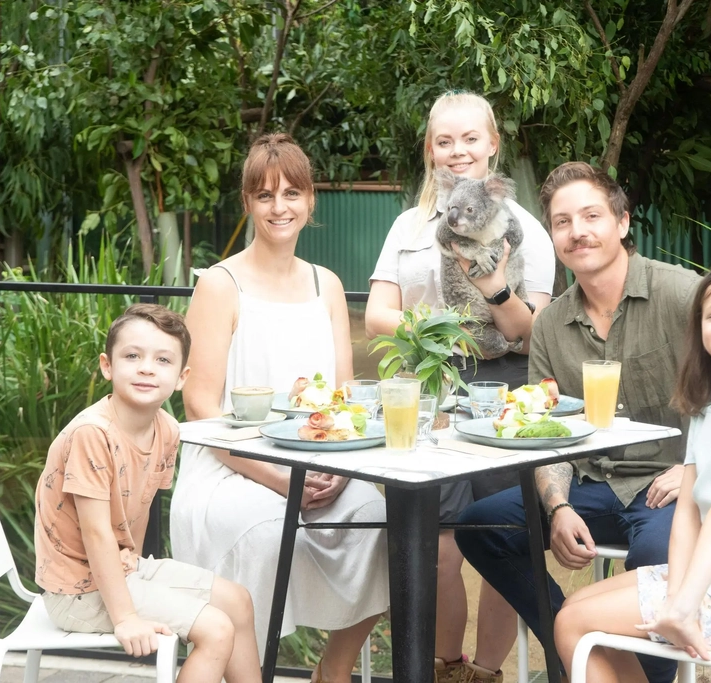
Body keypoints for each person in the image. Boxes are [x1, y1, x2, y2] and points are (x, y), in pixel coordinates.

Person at [455, 161, 700, 683]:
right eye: (563, 222)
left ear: (623, 222)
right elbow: (550, 433)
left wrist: (696, 470)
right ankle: (574, 647)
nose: (578, 231)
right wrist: (557, 505)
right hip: (592, 484)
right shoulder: (550, 326)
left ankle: (633, 675)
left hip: (671, 489)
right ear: (553, 235)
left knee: (658, 556)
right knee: (482, 525)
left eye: (591, 215)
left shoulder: (683, 295)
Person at [170, 133, 388, 683]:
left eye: (292, 193)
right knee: (269, 529)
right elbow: (199, 405)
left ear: (311, 200)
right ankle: (248, 672)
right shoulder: (220, 286)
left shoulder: (328, 285)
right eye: (264, 196)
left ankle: (332, 671)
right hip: (227, 464)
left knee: (379, 516)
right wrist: (276, 477)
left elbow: (340, 399)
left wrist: (339, 472)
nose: (279, 207)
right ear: (247, 203)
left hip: (316, 463)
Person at [365, 91, 556, 683]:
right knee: (438, 538)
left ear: (493, 143)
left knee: (504, 535)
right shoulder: (409, 225)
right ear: (430, 149)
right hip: (430, 388)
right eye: (445, 141)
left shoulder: (524, 229)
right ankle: (446, 666)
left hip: (505, 392)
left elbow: (534, 334)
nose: (458, 152)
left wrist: (494, 305)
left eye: (471, 138)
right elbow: (378, 315)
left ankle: (489, 672)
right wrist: (443, 337)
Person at [554, 255, 711, 680]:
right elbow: (688, 511)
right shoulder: (709, 408)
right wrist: (676, 594)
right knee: (574, 609)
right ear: (700, 327)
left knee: (573, 625)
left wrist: (682, 605)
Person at [34, 303, 260, 683]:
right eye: (132, 356)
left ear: (182, 376)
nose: (146, 368)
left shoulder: (167, 430)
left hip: (118, 570)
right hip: (75, 591)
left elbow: (135, 512)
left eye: (163, 360)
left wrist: (133, 564)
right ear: (108, 365)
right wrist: (125, 617)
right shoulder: (93, 433)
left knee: (238, 602)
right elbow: (96, 532)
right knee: (216, 631)